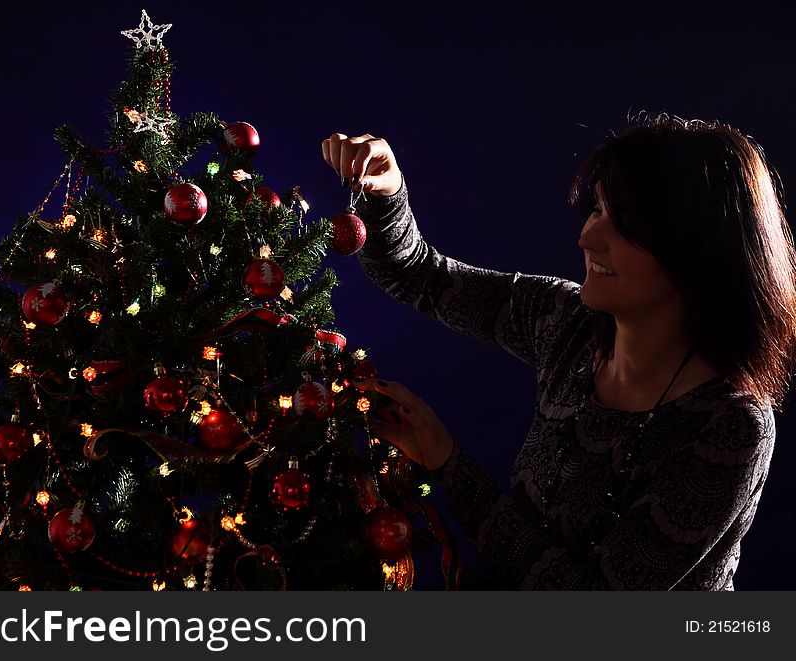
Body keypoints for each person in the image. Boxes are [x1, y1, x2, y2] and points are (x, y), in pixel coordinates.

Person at [321, 112, 796, 589]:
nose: (587, 237)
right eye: (598, 210)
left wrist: (450, 466)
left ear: (698, 251)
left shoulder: (731, 426)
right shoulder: (565, 321)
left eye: (625, 224)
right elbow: (417, 275)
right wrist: (388, 191)